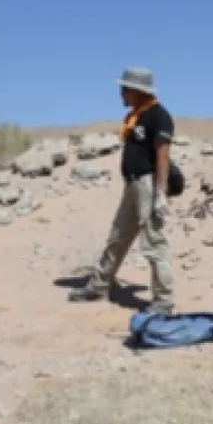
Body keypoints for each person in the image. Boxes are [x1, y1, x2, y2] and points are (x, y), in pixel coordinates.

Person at [69, 66, 176, 314]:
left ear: (138, 90)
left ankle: (163, 300)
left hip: (148, 185)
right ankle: (98, 286)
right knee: (118, 237)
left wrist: (160, 194)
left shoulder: (159, 116)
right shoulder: (135, 117)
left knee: (154, 241)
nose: (121, 94)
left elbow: (163, 156)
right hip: (132, 185)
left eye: (125, 89)